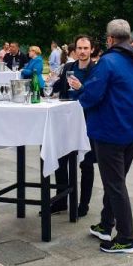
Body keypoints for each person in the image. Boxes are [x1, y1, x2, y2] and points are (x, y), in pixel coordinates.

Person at [80, 19, 133, 253]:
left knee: (115, 184)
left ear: (109, 39)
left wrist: (80, 94)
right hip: (132, 128)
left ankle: (126, 238)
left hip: (110, 130)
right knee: (115, 180)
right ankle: (106, 224)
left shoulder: (108, 61)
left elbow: (92, 95)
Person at [52, 35, 97, 216]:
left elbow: (96, 95)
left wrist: (81, 88)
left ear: (91, 50)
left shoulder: (96, 70)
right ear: (74, 50)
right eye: (79, 48)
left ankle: (83, 204)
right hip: (66, 119)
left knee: (86, 164)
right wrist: (52, 85)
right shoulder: (69, 67)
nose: (82, 51)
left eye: (86, 48)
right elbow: (61, 89)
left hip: (87, 121)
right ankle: (61, 200)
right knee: (61, 160)